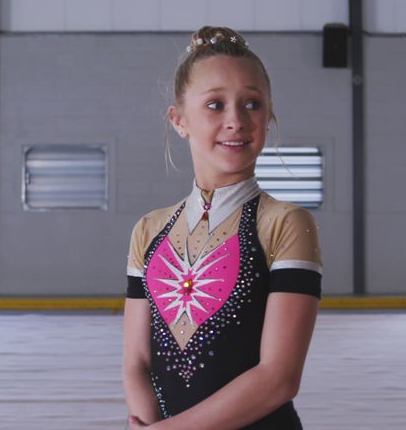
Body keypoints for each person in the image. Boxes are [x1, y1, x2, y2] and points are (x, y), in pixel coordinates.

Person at [123, 26, 323, 429]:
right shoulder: (148, 230)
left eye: (252, 104)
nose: (236, 120)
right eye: (215, 105)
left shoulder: (284, 224)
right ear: (179, 120)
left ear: (268, 119)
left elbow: (278, 379)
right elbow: (137, 363)